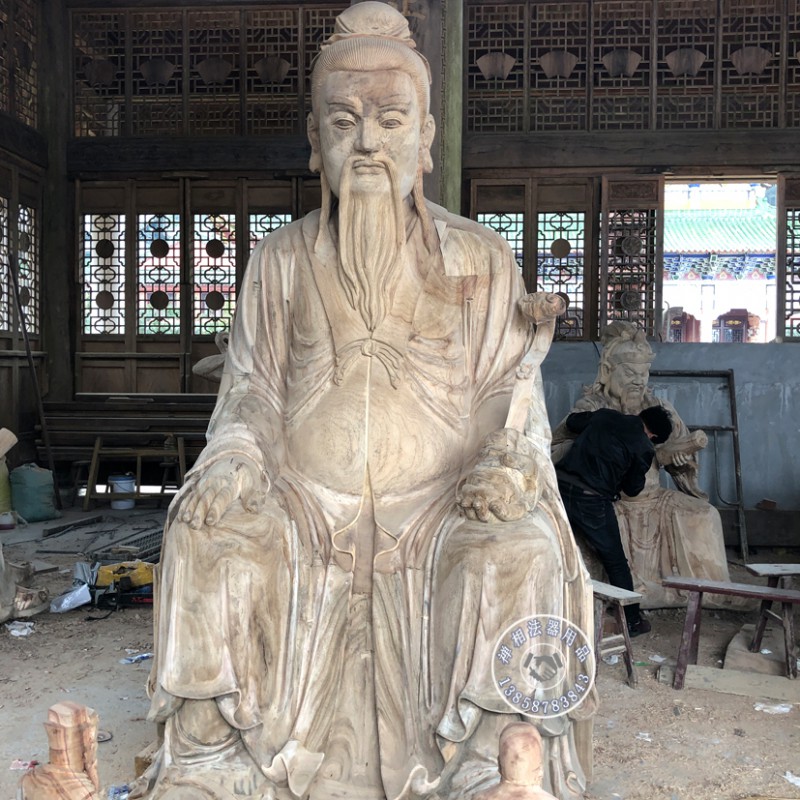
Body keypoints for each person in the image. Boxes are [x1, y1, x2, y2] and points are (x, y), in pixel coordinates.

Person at [134, 5, 595, 800]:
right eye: (344, 122)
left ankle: (488, 763)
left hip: (442, 504)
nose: (368, 143)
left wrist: (508, 467)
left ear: (426, 136)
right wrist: (235, 458)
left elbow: (507, 393)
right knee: (208, 533)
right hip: (302, 505)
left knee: (517, 548)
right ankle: (211, 759)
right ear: (315, 140)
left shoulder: (481, 258)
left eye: (390, 119)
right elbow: (252, 390)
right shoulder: (280, 261)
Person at [552, 321, 735, 609]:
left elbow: (679, 458)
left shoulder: (659, 411)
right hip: (607, 500)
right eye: (630, 373)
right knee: (607, 542)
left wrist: (680, 462)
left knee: (705, 514)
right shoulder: (593, 407)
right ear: (608, 371)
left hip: (655, 498)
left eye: (643, 373)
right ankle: (628, 603)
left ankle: (703, 590)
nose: (639, 381)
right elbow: (557, 444)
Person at [555, 405, 673, 636]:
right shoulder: (643, 446)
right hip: (590, 501)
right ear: (653, 435)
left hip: (558, 488)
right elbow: (632, 489)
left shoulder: (605, 415)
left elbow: (572, 422)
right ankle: (631, 621)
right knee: (616, 562)